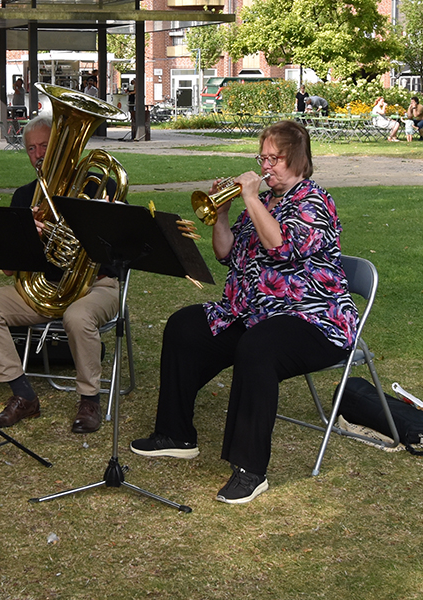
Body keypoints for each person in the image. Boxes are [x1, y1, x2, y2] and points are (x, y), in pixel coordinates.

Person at [129, 120, 359, 505]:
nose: (266, 166)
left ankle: (249, 470)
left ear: (298, 160)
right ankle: (175, 435)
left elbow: (280, 247)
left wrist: (250, 197)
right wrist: (221, 213)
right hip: (253, 312)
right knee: (185, 326)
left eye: (275, 159)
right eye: (262, 157)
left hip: (314, 320)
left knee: (257, 348)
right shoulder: (265, 201)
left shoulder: (315, 202)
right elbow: (225, 253)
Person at [0, 116, 121, 434]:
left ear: (61, 148)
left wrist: (98, 221)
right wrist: (26, 238)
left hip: (96, 286)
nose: (38, 154)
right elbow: (9, 269)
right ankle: (23, 395)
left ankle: (89, 400)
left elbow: (122, 250)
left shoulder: (99, 187)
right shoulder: (24, 197)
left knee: (78, 316)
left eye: (45, 146)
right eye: (31, 148)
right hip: (44, 290)